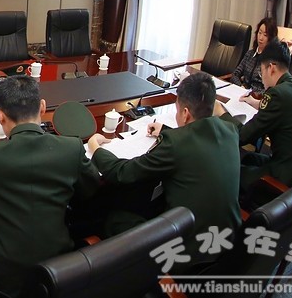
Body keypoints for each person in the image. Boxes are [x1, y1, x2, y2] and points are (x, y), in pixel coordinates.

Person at [0, 76, 99, 297]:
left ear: (0, 116)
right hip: (58, 271)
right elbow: (90, 188)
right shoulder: (71, 148)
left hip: (0, 278)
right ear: (42, 107)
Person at [88, 72, 241, 265]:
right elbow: (198, 138)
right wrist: (166, 131)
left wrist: (95, 148)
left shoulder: (175, 144)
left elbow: (122, 172)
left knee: (115, 219)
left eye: (177, 110)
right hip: (229, 245)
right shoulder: (230, 130)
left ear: (185, 113)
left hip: (187, 254)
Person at [215, 40, 292, 189]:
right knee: (249, 158)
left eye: (261, 71)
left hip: (287, 180)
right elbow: (284, 109)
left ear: (271, 68)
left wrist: (222, 113)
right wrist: (258, 103)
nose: (261, 77)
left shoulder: (276, 95)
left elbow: (242, 136)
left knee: (229, 174)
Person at [230, 17, 277, 96]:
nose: (261, 38)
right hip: (241, 94)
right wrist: (241, 87)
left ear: (271, 39)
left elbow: (270, 90)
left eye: (265, 35)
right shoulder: (250, 54)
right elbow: (235, 75)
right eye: (259, 33)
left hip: (257, 99)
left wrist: (253, 95)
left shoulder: (272, 62)